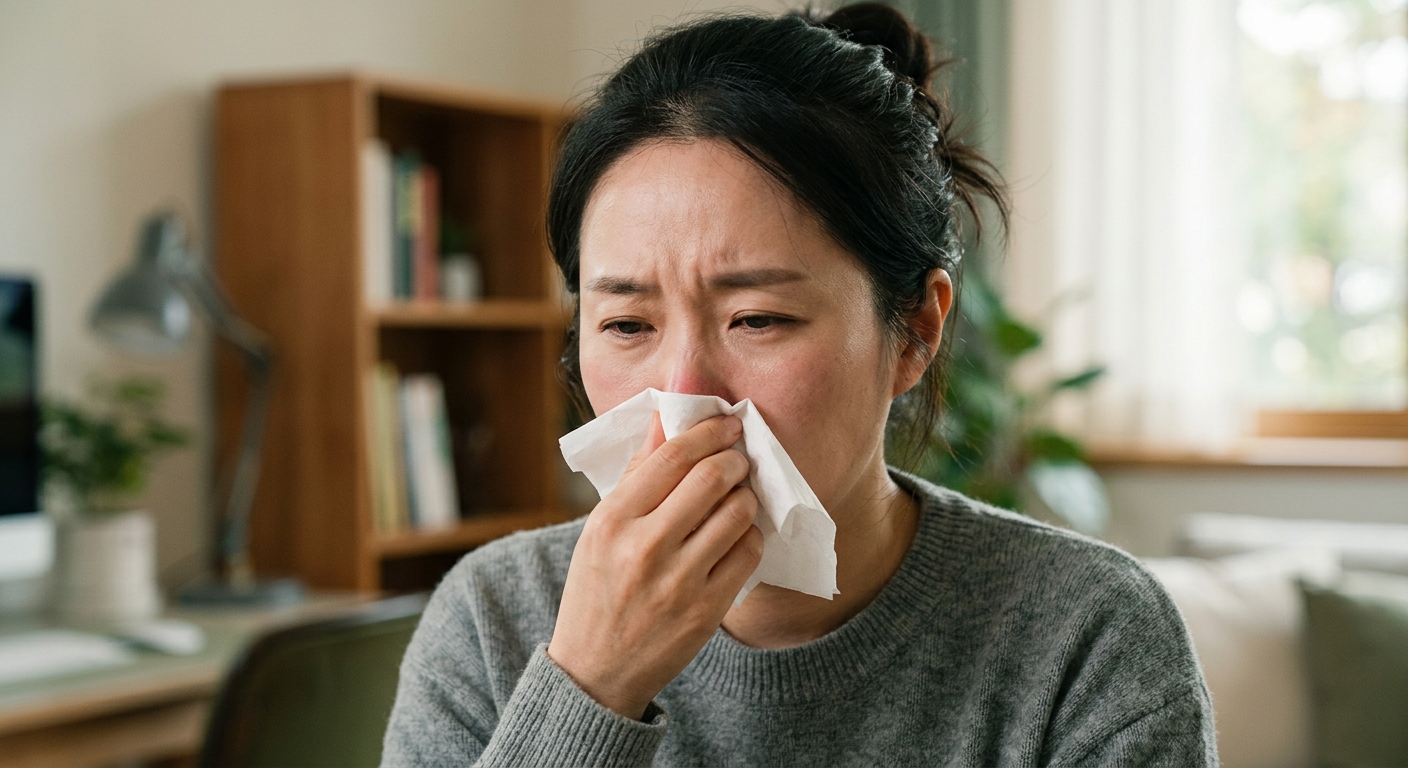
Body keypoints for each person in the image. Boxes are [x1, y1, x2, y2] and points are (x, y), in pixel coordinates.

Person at [382, 4, 1217, 766]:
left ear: (916, 332)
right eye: (628, 326)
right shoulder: (493, 619)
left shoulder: (1087, 635)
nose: (685, 393)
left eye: (758, 320)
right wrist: (591, 686)